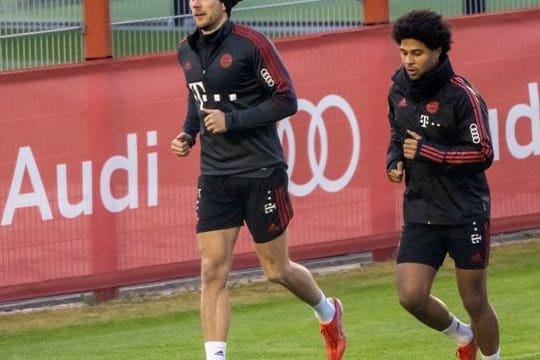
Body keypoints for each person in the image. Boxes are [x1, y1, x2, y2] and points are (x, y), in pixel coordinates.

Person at [170, 1, 346, 359]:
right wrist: (189, 133)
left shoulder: (251, 44)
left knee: (276, 269)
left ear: (224, 3)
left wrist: (232, 121)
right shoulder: (186, 49)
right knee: (211, 270)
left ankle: (328, 312)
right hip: (216, 174)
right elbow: (196, 94)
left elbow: (287, 99)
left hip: (261, 170)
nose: (195, 3)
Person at [385, 9, 500, 360]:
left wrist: (428, 151)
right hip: (421, 209)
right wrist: (394, 160)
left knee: (474, 298)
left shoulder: (461, 95)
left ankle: (493, 357)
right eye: (404, 52)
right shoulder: (397, 92)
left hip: (465, 211)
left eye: (417, 53)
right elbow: (396, 135)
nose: (409, 60)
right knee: (410, 295)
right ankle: (462, 336)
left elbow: (483, 152)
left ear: (438, 52)